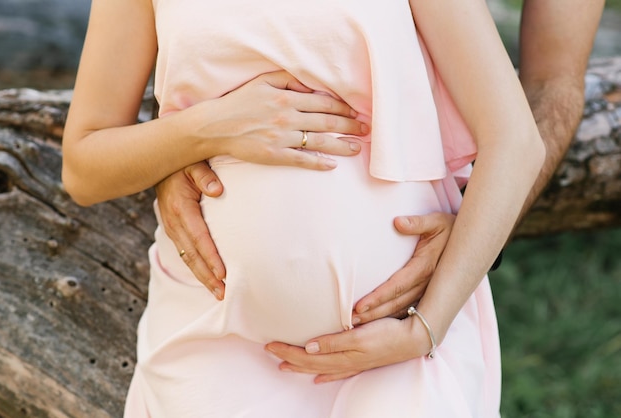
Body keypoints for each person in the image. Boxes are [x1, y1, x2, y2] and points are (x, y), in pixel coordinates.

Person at [62, 0, 545, 416]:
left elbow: (516, 141)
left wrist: (428, 326)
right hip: (211, 343)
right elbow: (84, 167)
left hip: (396, 342)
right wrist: (208, 128)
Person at [157, 0, 605, 383]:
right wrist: (176, 152)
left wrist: (476, 234)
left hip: (397, 335)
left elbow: (552, 83)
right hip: (211, 339)